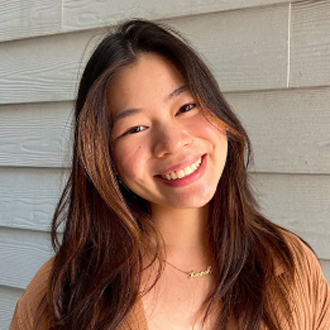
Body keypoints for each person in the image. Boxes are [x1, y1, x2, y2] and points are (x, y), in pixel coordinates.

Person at [9, 19, 330, 330]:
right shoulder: (62, 295)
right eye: (135, 128)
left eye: (186, 107)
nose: (172, 142)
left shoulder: (290, 265)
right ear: (105, 159)